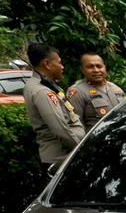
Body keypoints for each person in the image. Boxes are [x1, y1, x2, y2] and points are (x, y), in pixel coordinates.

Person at [22, 42, 84, 171]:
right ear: (47, 64)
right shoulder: (42, 91)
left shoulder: (45, 85)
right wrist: (81, 149)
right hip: (62, 159)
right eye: (59, 63)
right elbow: (60, 129)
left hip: (65, 156)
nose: (62, 67)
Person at [66, 52, 126, 131]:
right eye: (90, 67)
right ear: (82, 69)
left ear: (104, 67)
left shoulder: (116, 88)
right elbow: (76, 126)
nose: (96, 70)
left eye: (99, 66)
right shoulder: (77, 92)